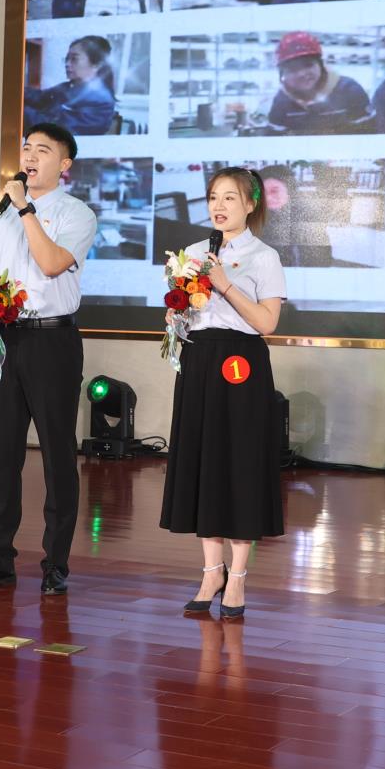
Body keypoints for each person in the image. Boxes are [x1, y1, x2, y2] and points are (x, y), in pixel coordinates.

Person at [0, 122, 99, 596]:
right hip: (6, 339)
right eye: (26, 148)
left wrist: (25, 208)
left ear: (65, 164)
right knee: (3, 454)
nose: (30, 156)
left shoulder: (76, 213)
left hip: (52, 341)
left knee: (58, 454)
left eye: (43, 150)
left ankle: (55, 563)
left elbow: (51, 263)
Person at [163, 168, 288, 619]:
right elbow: (188, 310)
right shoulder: (195, 253)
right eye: (214, 197)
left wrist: (225, 285)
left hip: (240, 363)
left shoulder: (264, 256)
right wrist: (176, 311)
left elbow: (267, 323)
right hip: (199, 359)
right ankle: (210, 572)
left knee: (238, 465)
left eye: (230, 198)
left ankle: (237, 577)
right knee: (205, 464)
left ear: (251, 205)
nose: (219, 206)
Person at [263, 31, 370, 134]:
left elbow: (368, 134)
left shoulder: (349, 91)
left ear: (321, 65)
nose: (301, 74)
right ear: (282, 74)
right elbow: (274, 141)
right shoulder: (282, 101)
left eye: (308, 65)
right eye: (292, 69)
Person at [24, 36, 118, 135]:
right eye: (67, 59)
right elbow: (40, 97)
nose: (67, 64)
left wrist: (21, 109)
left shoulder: (101, 100)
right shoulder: (67, 86)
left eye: (74, 59)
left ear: (96, 65)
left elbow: (58, 130)